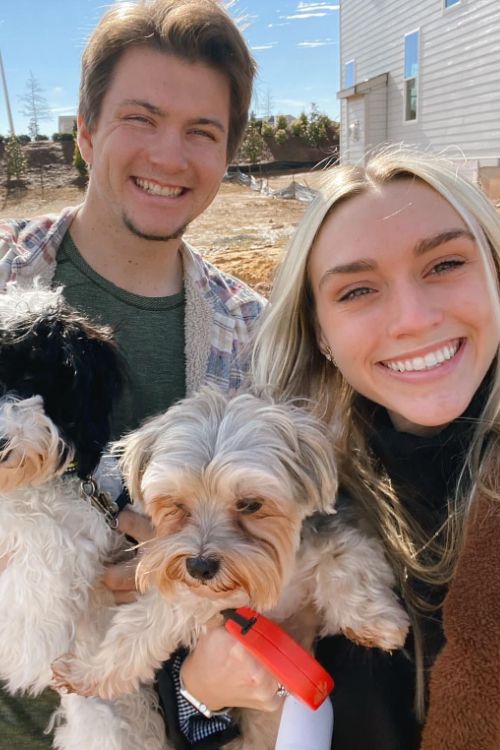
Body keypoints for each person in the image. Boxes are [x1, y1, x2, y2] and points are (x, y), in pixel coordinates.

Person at [0, 1, 272, 748]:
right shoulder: (3, 276)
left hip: (161, 716)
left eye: (202, 132)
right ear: (85, 131)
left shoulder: (254, 337)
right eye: (140, 118)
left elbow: (276, 550)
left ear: (228, 155)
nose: (169, 156)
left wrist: (189, 566)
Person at [174, 148, 499, 750]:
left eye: (445, 263)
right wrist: (200, 694)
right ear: (319, 331)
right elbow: (207, 714)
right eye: (356, 290)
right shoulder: (303, 488)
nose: (412, 318)